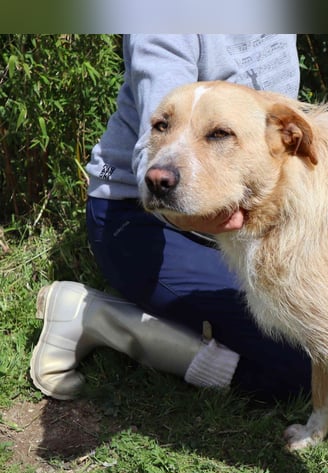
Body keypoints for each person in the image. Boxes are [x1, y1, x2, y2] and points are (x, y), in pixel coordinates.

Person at [29, 34, 312, 402]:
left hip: (245, 214)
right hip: (140, 215)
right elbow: (156, 149)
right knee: (304, 365)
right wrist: (193, 213)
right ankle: (98, 318)